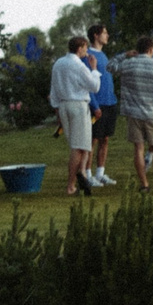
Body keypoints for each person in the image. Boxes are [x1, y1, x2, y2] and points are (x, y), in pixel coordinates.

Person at [111, 35, 153, 190]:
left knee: (138, 149)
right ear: (151, 49)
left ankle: (144, 183)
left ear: (137, 50)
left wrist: (125, 55)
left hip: (133, 113)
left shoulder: (128, 64)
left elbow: (110, 66)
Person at [48, 35, 101, 196]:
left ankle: (82, 174)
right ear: (79, 48)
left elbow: (53, 89)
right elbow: (94, 86)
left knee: (83, 144)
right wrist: (94, 69)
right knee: (78, 147)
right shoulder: (79, 65)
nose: (86, 50)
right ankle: (71, 185)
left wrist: (57, 109)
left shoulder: (58, 63)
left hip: (63, 105)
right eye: (85, 47)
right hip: (78, 105)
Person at [85, 23, 119, 187]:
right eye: (104, 33)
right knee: (92, 140)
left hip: (110, 103)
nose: (107, 36)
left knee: (105, 139)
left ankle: (100, 173)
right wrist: (95, 105)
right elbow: (88, 83)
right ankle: (87, 174)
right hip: (97, 105)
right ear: (96, 35)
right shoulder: (88, 56)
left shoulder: (103, 55)